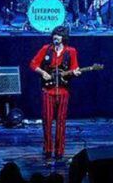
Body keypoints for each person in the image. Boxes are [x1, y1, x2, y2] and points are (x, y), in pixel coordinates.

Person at [29, 25, 80, 160]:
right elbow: (33, 64)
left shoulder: (71, 51)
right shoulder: (46, 49)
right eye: (54, 37)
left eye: (58, 37)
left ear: (63, 38)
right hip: (48, 90)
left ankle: (59, 151)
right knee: (47, 121)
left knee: (61, 122)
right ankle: (47, 149)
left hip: (63, 91)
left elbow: (74, 68)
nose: (55, 39)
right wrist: (43, 73)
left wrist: (75, 72)